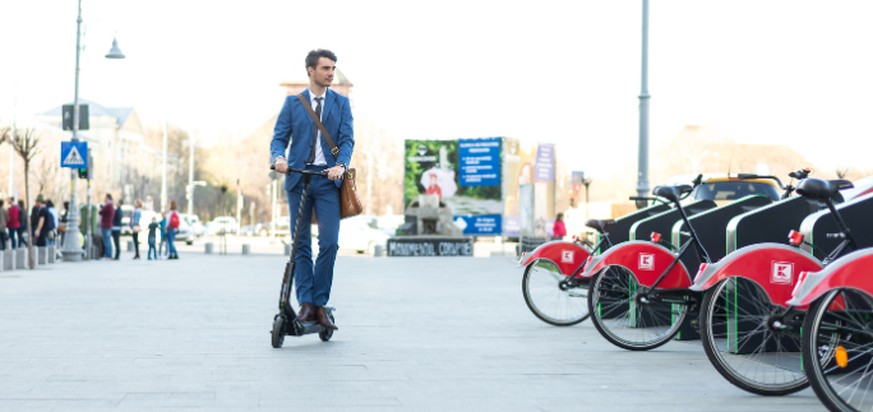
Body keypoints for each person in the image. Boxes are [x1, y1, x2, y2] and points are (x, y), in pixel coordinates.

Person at [269, 49, 354, 331]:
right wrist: (279, 158)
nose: (331, 73)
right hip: (298, 180)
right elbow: (279, 138)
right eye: (326, 68)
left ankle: (320, 302)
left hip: (328, 181)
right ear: (311, 70)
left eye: (333, 68)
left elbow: (347, 140)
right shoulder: (293, 104)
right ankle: (306, 302)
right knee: (300, 244)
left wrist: (341, 164)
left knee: (329, 243)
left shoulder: (341, 104)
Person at [98, 194, 114, 260]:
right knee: (108, 240)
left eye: (106, 199)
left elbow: (101, 212)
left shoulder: (108, 206)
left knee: (106, 241)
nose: (105, 200)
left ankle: (108, 255)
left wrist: (102, 208)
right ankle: (109, 255)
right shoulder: (111, 206)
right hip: (108, 225)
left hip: (106, 225)